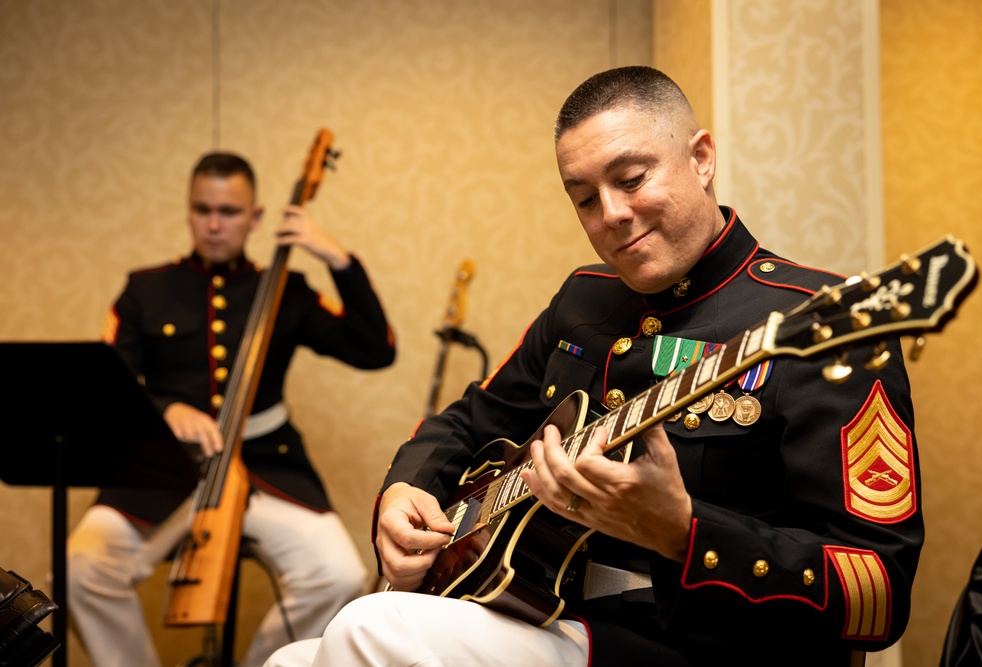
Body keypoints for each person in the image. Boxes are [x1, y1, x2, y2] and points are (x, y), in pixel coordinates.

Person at [265, 66, 923, 666]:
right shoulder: (584, 297)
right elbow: (468, 419)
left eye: (631, 179)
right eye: (584, 197)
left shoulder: (825, 322)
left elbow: (878, 591)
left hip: (708, 645)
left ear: (701, 158)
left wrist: (684, 532)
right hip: (550, 612)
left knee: (369, 627)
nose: (610, 215)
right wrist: (406, 489)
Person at [67, 152, 396, 667]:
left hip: (268, 465)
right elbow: (110, 388)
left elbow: (376, 350)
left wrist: (337, 260)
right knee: (82, 567)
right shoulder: (145, 289)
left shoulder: (286, 291)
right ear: (188, 211)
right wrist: (164, 408)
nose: (215, 224)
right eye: (203, 209)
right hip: (164, 467)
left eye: (230, 211)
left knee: (338, 575)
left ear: (257, 217)